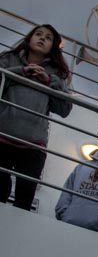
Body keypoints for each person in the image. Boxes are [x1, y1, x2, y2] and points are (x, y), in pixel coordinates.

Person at [0, 24, 73, 210]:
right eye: (38, 34)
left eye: (48, 38)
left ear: (53, 46)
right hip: (3, 137)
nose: (42, 38)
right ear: (29, 38)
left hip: (34, 145)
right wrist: (21, 73)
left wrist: (49, 82)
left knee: (24, 200)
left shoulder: (58, 74)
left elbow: (64, 109)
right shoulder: (8, 59)